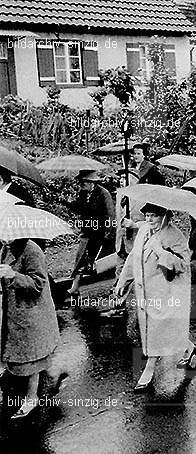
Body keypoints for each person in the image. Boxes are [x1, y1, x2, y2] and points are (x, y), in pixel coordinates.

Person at [114, 202, 196, 391]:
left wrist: (160, 250)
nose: (150, 219)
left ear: (165, 215)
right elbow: (133, 257)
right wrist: (122, 282)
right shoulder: (143, 230)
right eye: (147, 215)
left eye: (154, 216)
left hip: (167, 291)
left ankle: (149, 369)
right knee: (161, 328)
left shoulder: (176, 236)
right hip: (146, 291)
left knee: (157, 329)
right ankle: (189, 348)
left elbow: (183, 266)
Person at [0, 239, 60, 419]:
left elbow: (38, 284)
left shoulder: (31, 250)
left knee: (32, 359)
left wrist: (13, 276)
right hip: (11, 311)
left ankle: (32, 398)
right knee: (16, 355)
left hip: (29, 312)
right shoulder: (5, 248)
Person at [67, 170, 116, 297]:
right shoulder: (83, 193)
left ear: (91, 182)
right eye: (80, 182)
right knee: (81, 256)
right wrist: (71, 203)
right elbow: (81, 209)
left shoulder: (103, 194)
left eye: (83, 182)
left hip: (101, 232)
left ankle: (115, 285)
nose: (81, 185)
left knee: (101, 262)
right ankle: (75, 285)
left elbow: (110, 215)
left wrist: (108, 232)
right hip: (88, 231)